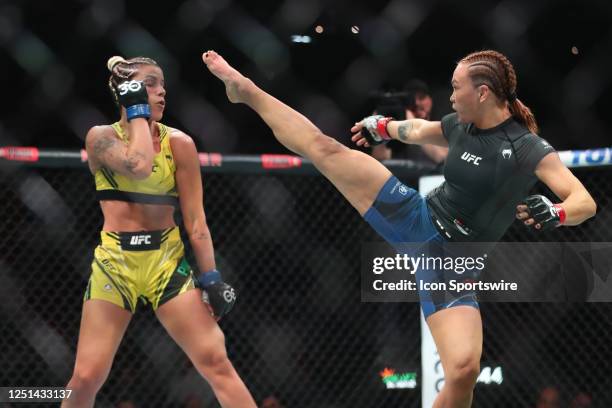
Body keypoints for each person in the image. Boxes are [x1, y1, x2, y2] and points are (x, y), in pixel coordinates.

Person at [201, 49, 596, 408]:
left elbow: (584, 202)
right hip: (414, 217)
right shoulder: (461, 126)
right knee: (326, 148)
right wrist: (384, 127)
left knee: (463, 371)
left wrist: (558, 212)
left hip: (453, 268)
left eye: (457, 88)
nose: (451, 96)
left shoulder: (529, 149)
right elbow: (419, 130)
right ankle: (247, 89)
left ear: (484, 92)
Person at [62, 56, 256, 408]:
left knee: (217, 363)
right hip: (115, 262)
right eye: (150, 84)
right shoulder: (101, 138)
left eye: (162, 84)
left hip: (166, 261)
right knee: (86, 377)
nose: (162, 92)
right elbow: (138, 165)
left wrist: (211, 277)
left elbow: (196, 220)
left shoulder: (179, 144)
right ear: (127, 91)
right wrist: (136, 111)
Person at [371, 80, 448, 165]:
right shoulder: (395, 125)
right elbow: (380, 160)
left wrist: (412, 122)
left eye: (421, 98)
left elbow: (442, 157)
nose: (417, 103)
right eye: (411, 100)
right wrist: (379, 126)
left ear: (430, 100)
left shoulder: (441, 123)